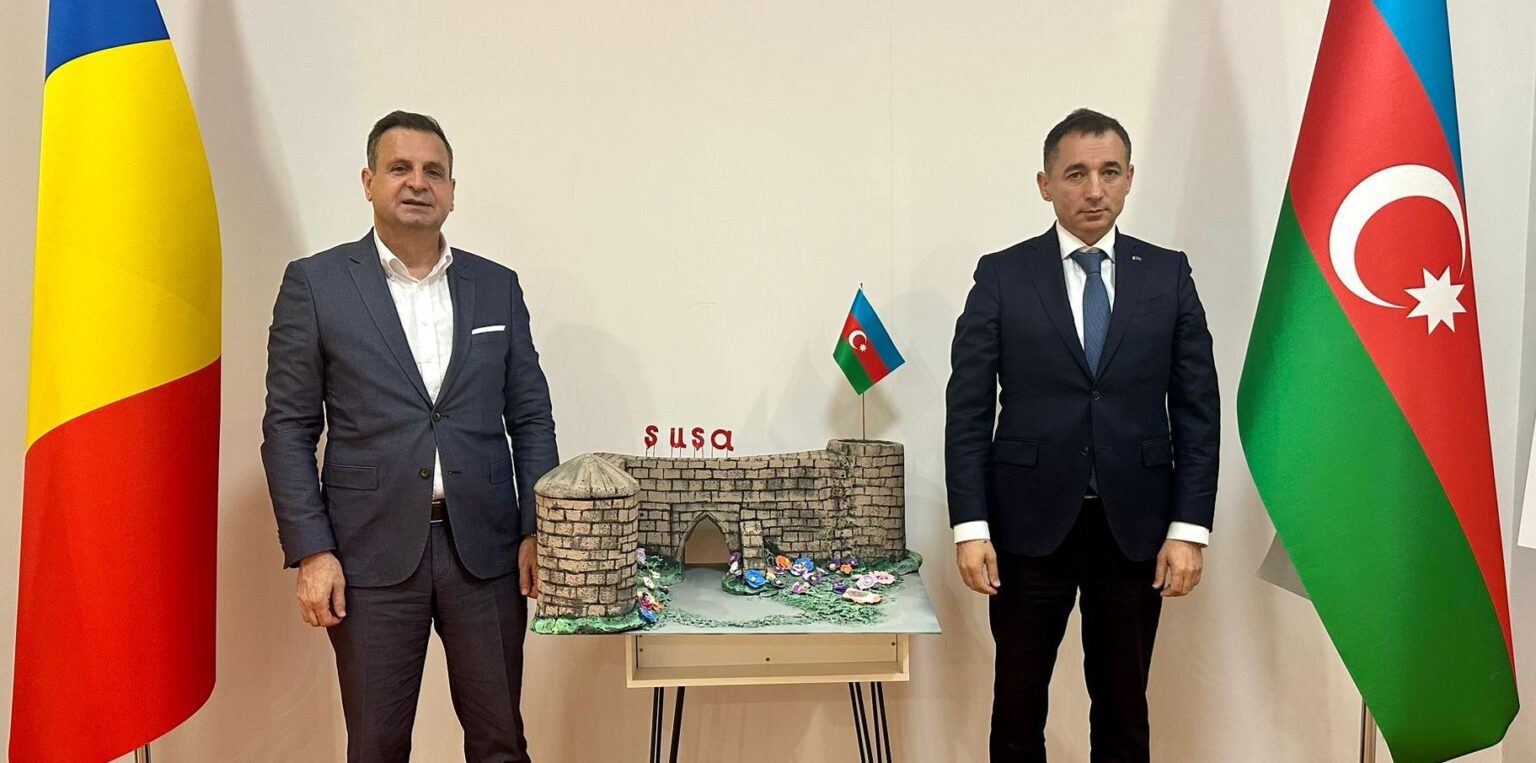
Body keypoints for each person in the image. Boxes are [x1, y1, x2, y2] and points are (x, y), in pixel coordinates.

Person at [262, 110, 558, 762]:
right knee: (376, 746)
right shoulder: (316, 285)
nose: (418, 183)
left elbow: (531, 417)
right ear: (369, 181)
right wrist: (313, 550)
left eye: (433, 171)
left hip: (486, 555)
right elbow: (288, 429)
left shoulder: (497, 287)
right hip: (368, 558)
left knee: (500, 742)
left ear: (452, 190)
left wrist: (536, 528)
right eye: (400, 168)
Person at [945, 108, 1219, 762]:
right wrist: (970, 527)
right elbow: (969, 410)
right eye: (1076, 174)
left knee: (1124, 711)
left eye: (1109, 172)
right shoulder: (1002, 275)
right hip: (1026, 530)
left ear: (1129, 179)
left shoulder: (1168, 275)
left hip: (1135, 530)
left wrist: (1189, 529)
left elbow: (1197, 410)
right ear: (1045, 184)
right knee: (1017, 708)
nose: (1094, 189)